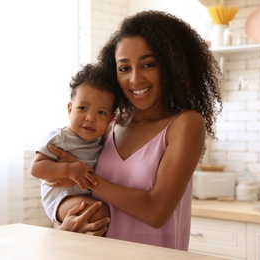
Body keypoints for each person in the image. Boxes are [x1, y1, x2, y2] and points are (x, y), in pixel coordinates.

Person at [45, 10, 223, 251]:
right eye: (124, 68)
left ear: (171, 66)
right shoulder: (109, 125)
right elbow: (62, 186)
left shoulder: (186, 124)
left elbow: (155, 211)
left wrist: (86, 177)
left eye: (148, 64)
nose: (135, 79)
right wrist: (66, 228)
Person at [30, 63, 119, 231]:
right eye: (83, 108)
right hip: (61, 198)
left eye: (101, 113)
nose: (90, 118)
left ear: (110, 119)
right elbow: (36, 168)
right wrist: (68, 170)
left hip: (83, 195)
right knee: (100, 212)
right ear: (70, 109)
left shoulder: (100, 141)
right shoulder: (60, 137)